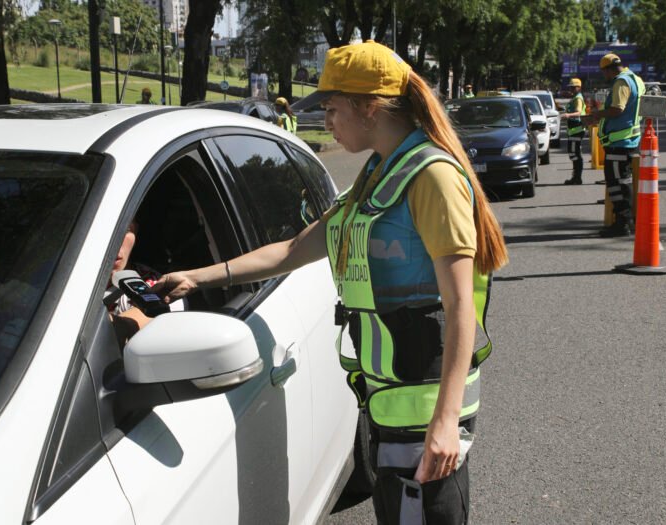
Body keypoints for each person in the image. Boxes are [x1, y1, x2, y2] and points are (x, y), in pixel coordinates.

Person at [153, 40, 508, 524]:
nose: (328, 122)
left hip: (425, 412)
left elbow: (461, 304)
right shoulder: (379, 174)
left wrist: (445, 422)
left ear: (369, 107)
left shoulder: (432, 176)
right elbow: (294, 249)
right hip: (388, 403)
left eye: (333, 109)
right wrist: (196, 277)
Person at [584, 53, 645, 237]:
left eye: (604, 73)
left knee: (617, 183)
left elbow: (618, 109)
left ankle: (622, 223)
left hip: (619, 142)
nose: (605, 77)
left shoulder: (621, 82)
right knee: (622, 181)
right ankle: (626, 219)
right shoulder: (637, 79)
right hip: (628, 140)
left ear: (608, 70)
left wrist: (597, 114)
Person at [560, 78, 587, 185]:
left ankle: (577, 178)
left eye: (573, 87)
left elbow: (578, 112)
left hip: (577, 130)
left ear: (579, 87)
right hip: (574, 130)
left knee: (575, 154)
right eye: (571, 87)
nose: (571, 89)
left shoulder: (578, 99)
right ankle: (576, 177)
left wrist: (568, 115)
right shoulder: (575, 98)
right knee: (574, 154)